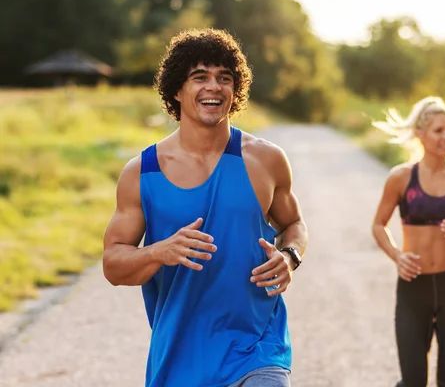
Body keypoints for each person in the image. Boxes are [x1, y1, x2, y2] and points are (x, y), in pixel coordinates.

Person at [102, 28, 308, 387]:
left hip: (257, 349)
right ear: (177, 91)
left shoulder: (266, 159)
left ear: (235, 91)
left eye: (224, 78)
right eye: (200, 77)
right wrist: (159, 252)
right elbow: (113, 265)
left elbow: (294, 224)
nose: (214, 86)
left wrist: (289, 256)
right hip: (179, 359)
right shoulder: (142, 173)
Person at [371, 97, 445, 387]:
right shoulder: (400, 178)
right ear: (421, 134)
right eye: (439, 130)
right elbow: (378, 225)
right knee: (413, 381)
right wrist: (397, 256)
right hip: (414, 287)